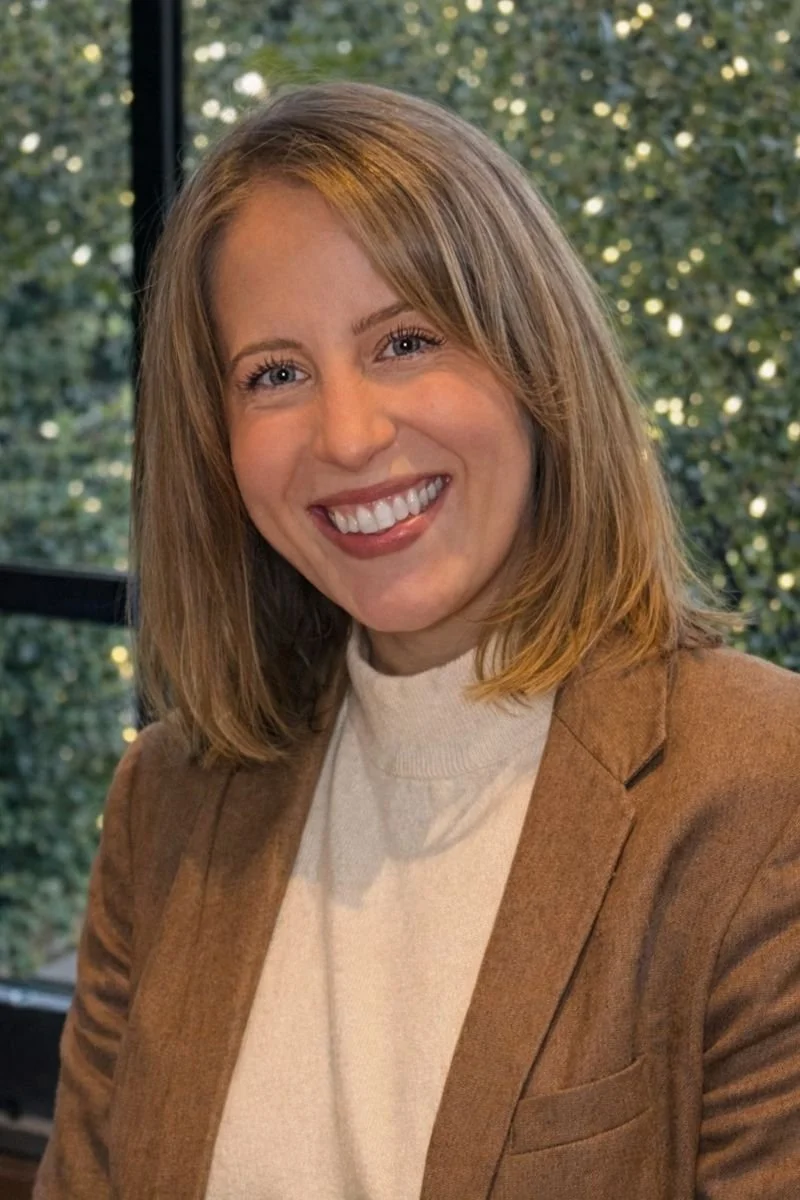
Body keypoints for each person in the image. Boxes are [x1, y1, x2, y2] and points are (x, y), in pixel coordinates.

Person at [34, 79, 800, 1200]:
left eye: (404, 340)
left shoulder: (760, 785)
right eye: (276, 374)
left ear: (533, 361)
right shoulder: (166, 802)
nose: (347, 435)